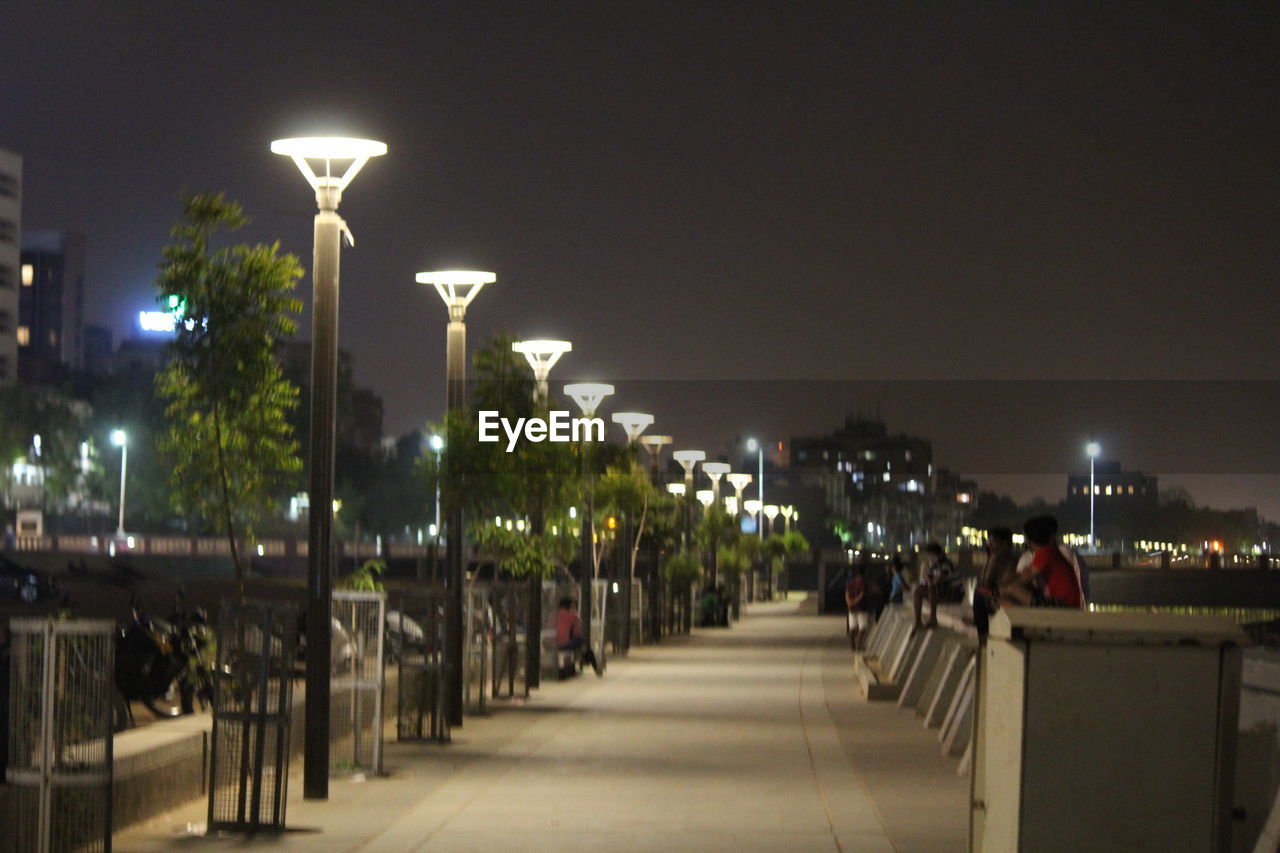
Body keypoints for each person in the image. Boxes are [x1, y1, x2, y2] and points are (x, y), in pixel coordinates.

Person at [1015, 515, 1084, 609]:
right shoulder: (1053, 551)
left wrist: (1002, 589)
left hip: (1064, 605)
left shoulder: (1045, 552)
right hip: (1066, 602)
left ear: (1028, 539)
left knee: (1012, 591)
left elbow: (1023, 578)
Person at [973, 527, 1019, 641]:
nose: (990, 545)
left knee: (978, 594)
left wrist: (989, 558)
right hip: (1015, 598)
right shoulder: (1015, 555)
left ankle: (982, 635)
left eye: (993, 542)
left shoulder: (998, 556)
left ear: (1003, 543)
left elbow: (985, 582)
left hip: (1004, 599)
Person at [913, 543, 959, 631]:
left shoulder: (947, 563)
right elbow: (927, 578)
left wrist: (930, 581)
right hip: (941, 591)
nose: (930, 558)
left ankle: (933, 618)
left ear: (938, 554)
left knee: (931, 586)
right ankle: (918, 621)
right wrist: (927, 579)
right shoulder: (934, 565)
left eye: (931, 555)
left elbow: (940, 578)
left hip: (953, 593)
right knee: (918, 590)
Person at [556, 597, 602, 676]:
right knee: (583, 644)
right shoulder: (573, 617)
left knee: (578, 643)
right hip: (565, 644)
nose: (574, 609)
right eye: (572, 607)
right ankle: (595, 667)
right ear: (568, 607)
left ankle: (576, 666)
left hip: (551, 644)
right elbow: (576, 633)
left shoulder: (554, 614)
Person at [845, 563, 870, 651]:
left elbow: (847, 593)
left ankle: (852, 645)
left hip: (851, 608)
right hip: (862, 607)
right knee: (862, 628)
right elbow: (862, 595)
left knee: (852, 627)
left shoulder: (851, 582)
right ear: (865, 572)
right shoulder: (864, 582)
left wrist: (849, 603)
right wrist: (855, 602)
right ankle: (859, 645)